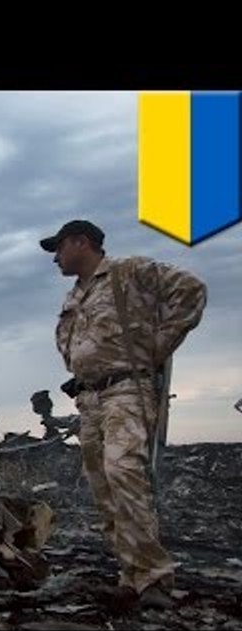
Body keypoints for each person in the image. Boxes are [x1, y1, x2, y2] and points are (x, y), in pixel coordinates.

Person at [41, 219, 206, 608]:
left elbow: (191, 290)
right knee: (105, 488)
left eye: (59, 248)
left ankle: (154, 578)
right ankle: (131, 576)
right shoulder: (74, 296)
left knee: (124, 473)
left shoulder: (128, 272)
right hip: (90, 399)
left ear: (82, 242)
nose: (56, 258)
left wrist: (157, 347)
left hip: (126, 392)